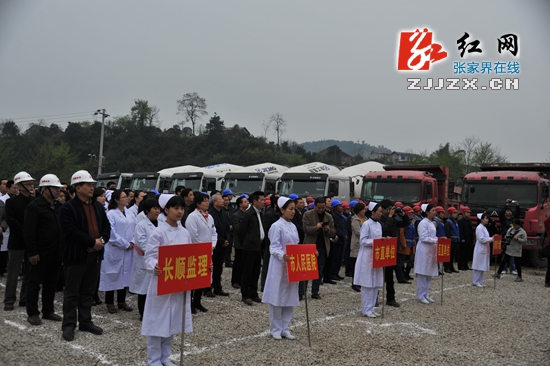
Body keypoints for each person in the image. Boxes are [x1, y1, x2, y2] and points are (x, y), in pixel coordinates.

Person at [141, 196, 193, 366]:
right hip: (161, 282)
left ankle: (165, 357)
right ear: (166, 210)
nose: (179, 212)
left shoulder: (185, 232)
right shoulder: (158, 232)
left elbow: (190, 255)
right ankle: (154, 359)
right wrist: (154, 266)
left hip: (178, 284)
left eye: (182, 208)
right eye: (175, 208)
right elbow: (149, 256)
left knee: (172, 320)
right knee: (157, 321)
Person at [60, 170, 110, 342]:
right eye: (88, 185)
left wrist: (101, 241)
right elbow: (70, 231)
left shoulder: (97, 206)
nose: (91, 187)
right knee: (72, 293)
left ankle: (85, 321)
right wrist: (92, 242)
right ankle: (68, 325)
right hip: (75, 257)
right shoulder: (68, 207)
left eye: (92, 185)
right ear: (78, 187)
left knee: (88, 291)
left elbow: (106, 226)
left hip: (95, 256)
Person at [23, 174, 64, 325]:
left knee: (51, 283)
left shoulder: (58, 206)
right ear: (45, 189)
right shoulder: (34, 207)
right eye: (55, 188)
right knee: (34, 283)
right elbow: (28, 232)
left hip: (56, 252)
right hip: (40, 253)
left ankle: (48, 310)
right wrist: (32, 252)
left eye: (59, 188)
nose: (58, 191)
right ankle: (32, 312)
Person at [262, 197, 300, 340]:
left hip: (291, 266)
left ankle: (285, 328)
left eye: (293, 209)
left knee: (290, 297)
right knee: (277, 297)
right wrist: (281, 255)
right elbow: (273, 247)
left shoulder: (293, 226)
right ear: (282, 210)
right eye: (290, 209)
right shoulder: (276, 226)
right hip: (279, 265)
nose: (292, 211)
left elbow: (296, 245)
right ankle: (275, 329)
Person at [4, 171, 36, 311]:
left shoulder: (34, 201)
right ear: (20, 186)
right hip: (17, 241)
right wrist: (26, 232)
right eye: (28, 183)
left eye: (31, 183)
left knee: (29, 272)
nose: (31, 186)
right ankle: (9, 299)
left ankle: (25, 298)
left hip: (30, 242)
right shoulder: (11, 202)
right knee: (13, 272)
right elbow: (11, 220)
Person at [100, 189, 135, 313]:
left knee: (125, 275)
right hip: (115, 249)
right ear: (116, 199)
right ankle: (109, 302)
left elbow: (135, 229)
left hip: (128, 249)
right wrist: (125, 244)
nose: (127, 198)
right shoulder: (111, 214)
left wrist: (132, 242)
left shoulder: (130, 213)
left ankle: (121, 301)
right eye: (124, 197)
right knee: (112, 275)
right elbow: (112, 233)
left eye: (127, 197)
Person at [185, 192, 217, 312]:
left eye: (208, 201)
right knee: (193, 278)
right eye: (204, 201)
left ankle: (197, 302)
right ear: (198, 203)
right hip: (196, 251)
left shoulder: (209, 217)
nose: (207, 203)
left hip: (208, 251)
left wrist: (212, 245)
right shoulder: (192, 217)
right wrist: (203, 247)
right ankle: (190, 304)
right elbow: (193, 235)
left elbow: (214, 232)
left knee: (202, 278)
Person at [130, 198, 160, 320]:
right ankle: (143, 314)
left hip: (159, 260)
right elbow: (142, 244)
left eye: (158, 208)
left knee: (155, 289)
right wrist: (158, 250)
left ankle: (155, 312)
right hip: (145, 260)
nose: (157, 211)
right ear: (147, 210)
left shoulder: (162, 223)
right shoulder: (141, 225)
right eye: (154, 208)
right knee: (144, 289)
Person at [302, 196, 336, 300]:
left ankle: (315, 291)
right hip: (310, 246)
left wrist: (327, 230)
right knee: (306, 270)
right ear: (315, 206)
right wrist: (316, 227)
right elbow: (305, 229)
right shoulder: (307, 214)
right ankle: (301, 292)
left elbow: (333, 232)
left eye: (323, 208)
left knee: (319, 270)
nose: (321, 210)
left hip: (323, 246)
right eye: (319, 208)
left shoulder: (328, 216)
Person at [354, 202, 384, 317]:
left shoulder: (379, 225)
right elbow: (363, 240)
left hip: (376, 256)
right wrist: (376, 242)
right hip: (367, 255)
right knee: (367, 283)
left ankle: (371, 308)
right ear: (373, 212)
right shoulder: (366, 224)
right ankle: (366, 309)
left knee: (375, 282)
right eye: (379, 211)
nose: (381, 214)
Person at [379, 199, 409, 308]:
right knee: (378, 275)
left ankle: (391, 298)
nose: (389, 211)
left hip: (391, 248)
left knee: (390, 276)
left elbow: (406, 223)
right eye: (387, 209)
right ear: (382, 209)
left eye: (390, 209)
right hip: (382, 248)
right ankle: (374, 297)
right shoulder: (380, 219)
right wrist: (390, 217)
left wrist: (403, 214)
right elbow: (384, 230)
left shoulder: (394, 219)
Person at [237, 191, 265, 306]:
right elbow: (241, 231)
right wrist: (246, 243)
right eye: (261, 200)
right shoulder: (249, 214)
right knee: (247, 272)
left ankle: (254, 293)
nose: (263, 202)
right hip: (249, 247)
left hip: (258, 246)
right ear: (255, 201)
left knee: (255, 271)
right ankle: (245, 295)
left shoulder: (260, 213)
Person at [414, 204, 438, 304]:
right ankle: (420, 295)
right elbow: (423, 237)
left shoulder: (432, 223)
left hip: (431, 249)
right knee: (422, 273)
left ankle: (426, 294)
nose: (435, 212)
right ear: (427, 212)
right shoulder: (422, 223)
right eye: (433, 210)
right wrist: (436, 240)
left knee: (429, 273)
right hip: (424, 250)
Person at [208, 193, 230, 296]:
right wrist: (221, 241)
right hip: (215, 245)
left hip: (223, 245)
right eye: (221, 199)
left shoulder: (223, 213)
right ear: (215, 202)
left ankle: (218, 287)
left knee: (219, 267)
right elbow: (213, 231)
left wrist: (227, 240)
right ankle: (208, 288)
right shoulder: (211, 214)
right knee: (211, 267)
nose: (223, 201)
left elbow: (227, 228)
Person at [230, 196, 249, 290]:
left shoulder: (247, 214)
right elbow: (237, 229)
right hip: (239, 242)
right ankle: (235, 281)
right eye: (245, 201)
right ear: (240, 204)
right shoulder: (236, 215)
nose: (247, 203)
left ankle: (242, 280)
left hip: (247, 242)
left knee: (245, 263)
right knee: (238, 262)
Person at [499, 199, 521, 274]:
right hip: (505, 238)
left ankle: (512, 269)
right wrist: (506, 205)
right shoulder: (503, 220)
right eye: (507, 211)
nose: (508, 212)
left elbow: (518, 215)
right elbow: (501, 213)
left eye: (510, 211)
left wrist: (517, 206)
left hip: (513, 238)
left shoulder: (513, 220)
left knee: (512, 254)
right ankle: (504, 268)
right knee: (504, 254)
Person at [472, 213, 494, 287]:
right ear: (481, 219)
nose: (487, 220)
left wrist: (491, 238)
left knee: (482, 265)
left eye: (487, 219)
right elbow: (482, 239)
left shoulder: (484, 227)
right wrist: (491, 239)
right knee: (478, 265)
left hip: (484, 248)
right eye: (485, 218)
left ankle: (480, 281)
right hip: (480, 248)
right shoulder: (479, 228)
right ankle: (476, 281)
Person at [349, 202, 367, 292]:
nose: (365, 211)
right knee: (356, 264)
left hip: (364, 244)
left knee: (362, 265)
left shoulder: (365, 219)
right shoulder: (355, 220)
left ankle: (360, 281)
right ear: (359, 210)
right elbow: (358, 232)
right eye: (363, 209)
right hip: (357, 244)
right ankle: (355, 283)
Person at [330, 199, 346, 281]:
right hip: (337, 239)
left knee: (339, 258)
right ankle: (333, 273)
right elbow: (336, 228)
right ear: (335, 207)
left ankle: (336, 273)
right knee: (335, 257)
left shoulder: (341, 217)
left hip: (342, 240)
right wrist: (343, 235)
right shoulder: (333, 216)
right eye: (339, 206)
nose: (341, 208)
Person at [444, 207, 460, 273]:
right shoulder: (448, 222)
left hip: (455, 240)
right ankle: (446, 267)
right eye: (454, 213)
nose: (456, 214)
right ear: (450, 214)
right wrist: (450, 239)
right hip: (451, 241)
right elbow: (448, 232)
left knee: (452, 255)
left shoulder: (454, 221)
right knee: (449, 255)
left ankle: (451, 267)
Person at [458, 206, 473, 270]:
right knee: (462, 253)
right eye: (467, 213)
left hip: (468, 239)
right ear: (463, 213)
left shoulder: (469, 221)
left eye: (469, 213)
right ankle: (460, 266)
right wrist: (462, 238)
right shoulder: (461, 221)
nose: (468, 214)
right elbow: (460, 230)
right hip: (463, 240)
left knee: (467, 253)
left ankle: (465, 265)